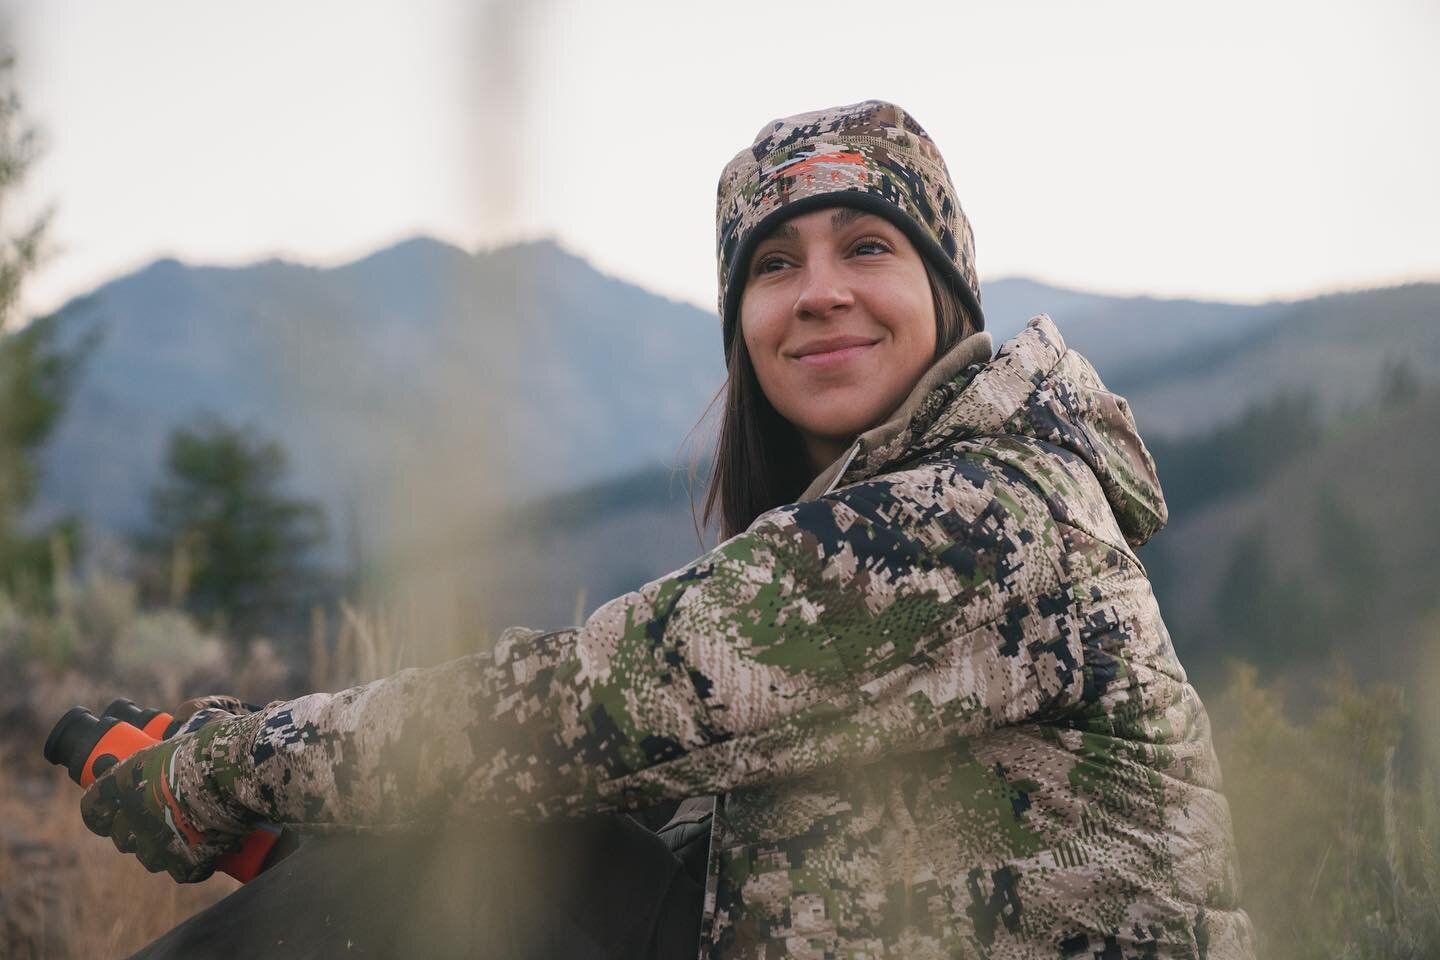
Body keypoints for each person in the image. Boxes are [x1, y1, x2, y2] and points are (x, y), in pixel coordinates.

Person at [80, 100, 1256, 958]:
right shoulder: (904, 524)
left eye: (868, 246)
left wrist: (223, 771)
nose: (819, 291)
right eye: (774, 264)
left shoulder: (983, 522)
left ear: (948, 294)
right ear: (743, 322)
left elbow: (576, 713)